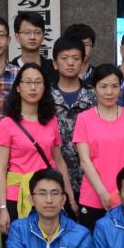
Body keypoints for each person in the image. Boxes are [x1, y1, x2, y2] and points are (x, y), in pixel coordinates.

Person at [0, 62, 71, 226]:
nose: (33, 87)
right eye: (28, 82)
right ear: (18, 87)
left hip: (48, 193)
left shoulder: (52, 121)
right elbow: (0, 169)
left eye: (38, 82)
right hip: (17, 194)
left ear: (44, 87)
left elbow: (59, 162)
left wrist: (69, 197)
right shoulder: (7, 124)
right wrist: (2, 207)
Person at [74, 64, 124, 228]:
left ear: (120, 88)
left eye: (114, 86)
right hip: (92, 196)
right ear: (94, 88)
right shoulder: (84, 119)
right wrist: (103, 194)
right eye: (103, 86)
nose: (109, 92)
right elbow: (85, 160)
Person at [48, 34, 94, 202]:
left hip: (90, 178)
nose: (70, 62)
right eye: (64, 58)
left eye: (75, 58)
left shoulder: (94, 96)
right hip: (53, 179)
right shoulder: (45, 97)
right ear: (55, 63)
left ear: (82, 63)